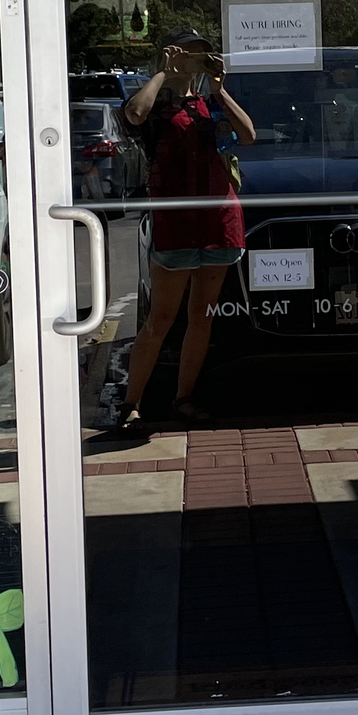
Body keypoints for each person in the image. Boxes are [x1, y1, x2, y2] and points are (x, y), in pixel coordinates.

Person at [117, 32, 254, 427]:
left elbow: (248, 135)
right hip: (175, 222)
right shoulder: (155, 103)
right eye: (186, 54)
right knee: (161, 318)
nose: (192, 61)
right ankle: (131, 403)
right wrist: (163, 73)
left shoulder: (210, 103)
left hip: (216, 219)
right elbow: (135, 114)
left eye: (200, 55)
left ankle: (184, 397)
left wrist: (219, 88)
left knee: (202, 315)